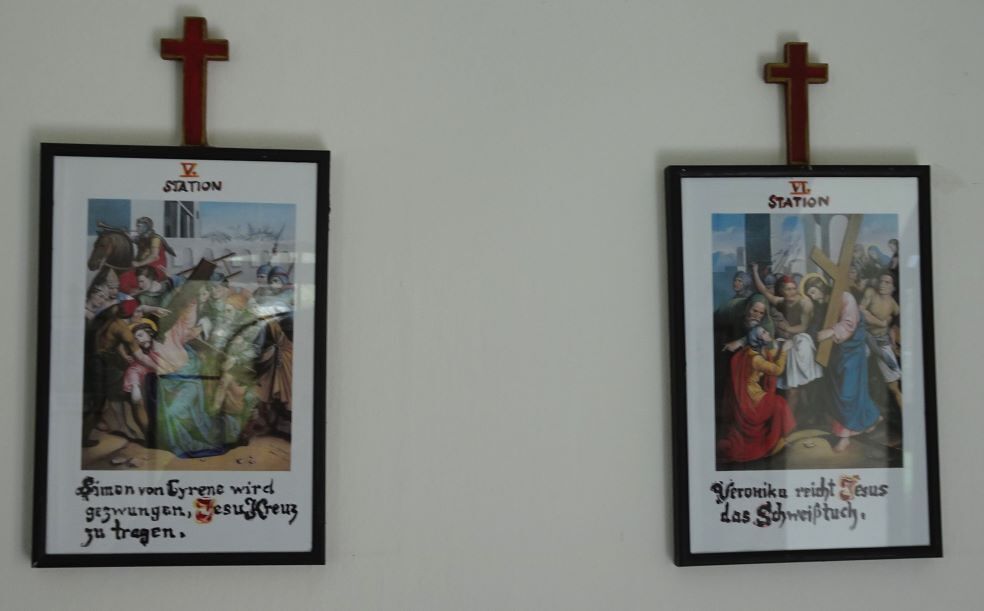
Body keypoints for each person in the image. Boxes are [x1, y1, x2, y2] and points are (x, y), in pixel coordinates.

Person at [717, 325, 796, 463]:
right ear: (757, 339)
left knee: (778, 403)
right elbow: (776, 370)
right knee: (780, 404)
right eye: (763, 332)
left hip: (750, 393)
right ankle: (776, 441)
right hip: (752, 398)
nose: (767, 333)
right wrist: (784, 351)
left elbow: (769, 353)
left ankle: (780, 439)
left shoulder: (750, 350)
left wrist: (778, 347)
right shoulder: (755, 359)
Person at [817, 289, 882, 452]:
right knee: (844, 392)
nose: (814, 296)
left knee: (847, 394)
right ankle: (872, 418)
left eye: (814, 292)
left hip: (852, 353)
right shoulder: (823, 302)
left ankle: (844, 437)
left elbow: (849, 324)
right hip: (837, 355)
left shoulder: (846, 298)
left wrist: (831, 331)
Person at [751, 264, 822, 412]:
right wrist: (755, 271)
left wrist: (786, 328)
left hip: (803, 340)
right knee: (792, 383)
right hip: (790, 340)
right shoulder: (782, 301)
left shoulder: (805, 303)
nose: (791, 292)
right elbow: (763, 291)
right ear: (782, 290)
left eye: (793, 288)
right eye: (787, 289)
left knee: (801, 382)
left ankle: (803, 412)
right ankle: (792, 415)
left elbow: (803, 327)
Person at [860, 273, 903, 407]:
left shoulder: (893, 304)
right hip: (865, 339)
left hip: (882, 340)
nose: (883, 285)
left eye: (887, 282)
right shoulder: (870, 293)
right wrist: (881, 323)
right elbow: (861, 311)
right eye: (881, 281)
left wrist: (891, 328)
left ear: (893, 288)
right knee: (857, 364)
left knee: (894, 385)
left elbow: (899, 317)